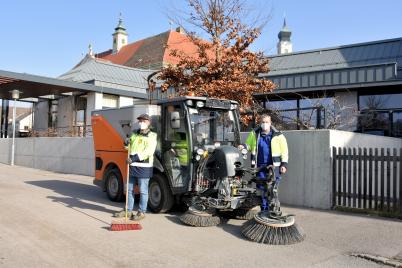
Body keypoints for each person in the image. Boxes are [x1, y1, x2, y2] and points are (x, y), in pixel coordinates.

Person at [241, 114, 288, 212]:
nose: (265, 124)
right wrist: (243, 147)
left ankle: (273, 210)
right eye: (263, 122)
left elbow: (284, 151)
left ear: (270, 123)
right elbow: (248, 145)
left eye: (267, 122)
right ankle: (264, 211)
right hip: (259, 167)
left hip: (274, 166)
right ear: (260, 122)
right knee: (261, 190)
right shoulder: (254, 133)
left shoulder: (278, 135)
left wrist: (284, 164)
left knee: (272, 190)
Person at [115, 113, 157, 221]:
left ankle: (141, 212)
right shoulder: (134, 134)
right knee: (129, 190)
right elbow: (128, 148)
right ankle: (128, 211)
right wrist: (125, 143)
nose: (141, 123)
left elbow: (149, 152)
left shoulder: (152, 136)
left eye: (144, 121)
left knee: (143, 191)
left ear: (149, 123)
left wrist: (133, 159)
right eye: (140, 121)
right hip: (132, 166)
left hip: (144, 167)